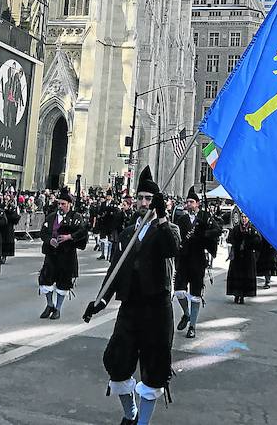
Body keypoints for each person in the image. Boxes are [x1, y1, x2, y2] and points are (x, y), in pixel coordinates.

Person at [82, 166, 181, 425]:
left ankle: (143, 422)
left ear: (156, 202)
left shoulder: (167, 229)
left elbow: (172, 249)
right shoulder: (127, 233)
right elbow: (115, 270)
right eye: (141, 198)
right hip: (131, 307)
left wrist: (161, 217)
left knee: (154, 367)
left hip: (157, 308)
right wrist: (100, 301)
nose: (143, 203)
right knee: (117, 360)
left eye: (149, 199)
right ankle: (131, 414)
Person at [172, 186, 221, 338]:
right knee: (179, 292)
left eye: (191, 202)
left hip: (198, 260)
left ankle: (192, 326)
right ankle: (186, 314)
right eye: (187, 202)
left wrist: (204, 234)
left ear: (198, 203)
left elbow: (217, 230)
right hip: (183, 259)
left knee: (195, 295)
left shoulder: (205, 217)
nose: (189, 204)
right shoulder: (181, 219)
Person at [38, 188, 88, 320]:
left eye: (63, 204)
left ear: (69, 204)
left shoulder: (76, 218)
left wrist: (69, 237)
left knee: (63, 282)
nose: (60, 206)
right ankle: (50, 305)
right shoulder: (51, 217)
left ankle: (58, 309)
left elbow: (83, 232)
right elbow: (43, 232)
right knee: (45, 280)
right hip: (51, 254)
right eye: (59, 204)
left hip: (67, 255)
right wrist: (50, 240)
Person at [226, 211, 260, 304]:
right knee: (237, 275)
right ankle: (236, 294)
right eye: (243, 217)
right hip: (237, 256)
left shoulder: (252, 229)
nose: (244, 219)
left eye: (246, 217)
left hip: (248, 257)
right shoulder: (236, 229)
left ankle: (243, 296)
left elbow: (258, 242)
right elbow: (230, 239)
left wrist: (249, 238)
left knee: (246, 276)